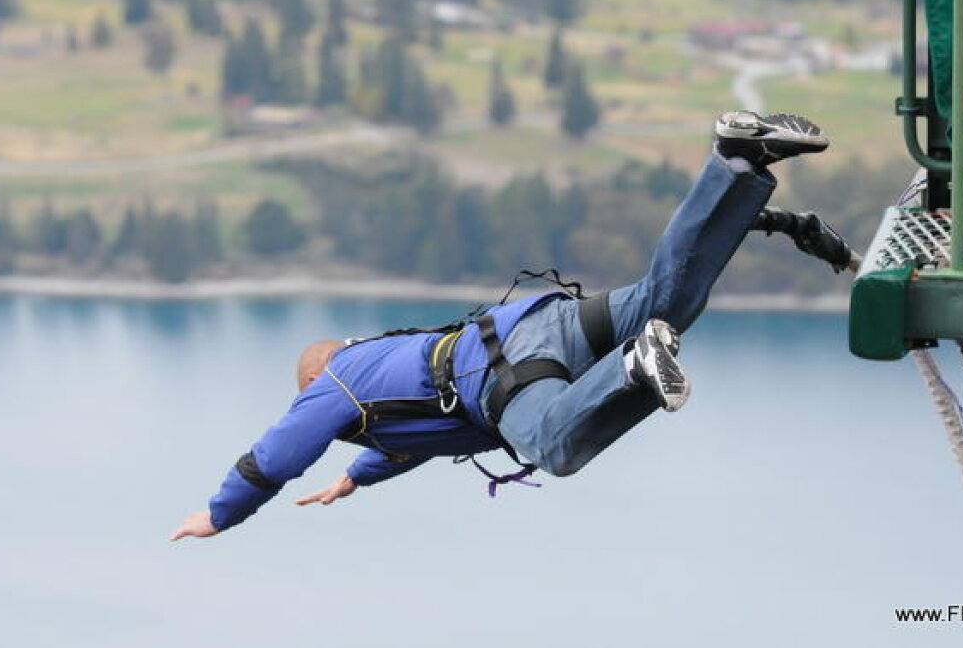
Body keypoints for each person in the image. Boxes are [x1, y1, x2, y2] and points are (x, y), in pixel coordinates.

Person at [170, 110, 846, 541]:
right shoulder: (377, 370)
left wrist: (219, 516)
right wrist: (359, 477)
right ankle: (735, 160)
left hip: (507, 375)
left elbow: (278, 453)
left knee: (555, 446)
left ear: (319, 380)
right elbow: (410, 436)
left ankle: (636, 366)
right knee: (668, 299)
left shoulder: (333, 382)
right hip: (540, 325)